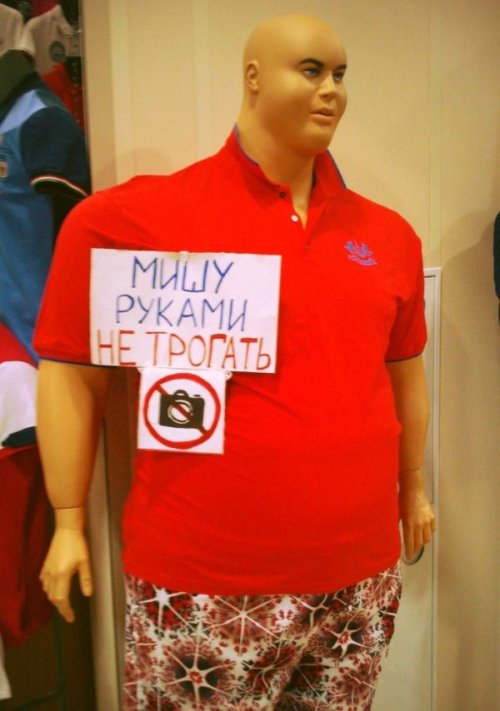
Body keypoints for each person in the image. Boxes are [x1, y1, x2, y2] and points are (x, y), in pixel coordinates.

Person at [34, 13, 436, 710]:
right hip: (203, 586)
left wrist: (414, 486)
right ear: (253, 78)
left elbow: (403, 374)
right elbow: (71, 368)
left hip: (359, 581)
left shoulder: (388, 236)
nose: (331, 90)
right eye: (310, 70)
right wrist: (68, 519)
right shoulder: (133, 222)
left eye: (340, 75)